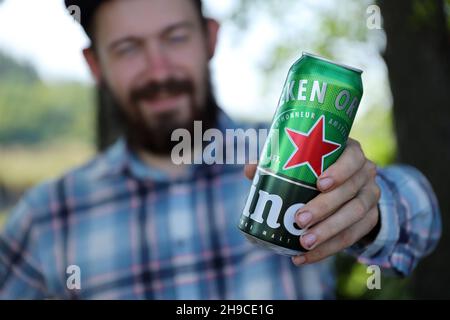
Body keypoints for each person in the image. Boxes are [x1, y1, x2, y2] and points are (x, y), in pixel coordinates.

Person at [0, 0, 441, 299]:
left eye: (175, 37)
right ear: (96, 65)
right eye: (128, 48)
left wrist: (370, 211)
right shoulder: (44, 220)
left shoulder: (287, 154)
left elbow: (420, 213)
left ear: (210, 38)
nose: (159, 69)